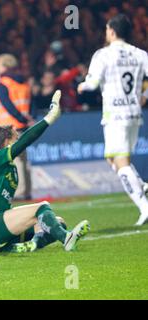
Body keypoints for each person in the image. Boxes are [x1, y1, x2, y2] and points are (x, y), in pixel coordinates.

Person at [0, 90, 90, 254]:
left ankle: (28, 245)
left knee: (57, 223)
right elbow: (27, 140)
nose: (19, 141)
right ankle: (67, 239)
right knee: (42, 207)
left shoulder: (11, 168)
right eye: (15, 138)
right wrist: (49, 118)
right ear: (7, 142)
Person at [78, 14, 148, 226]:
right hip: (134, 114)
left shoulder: (103, 55)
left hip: (114, 116)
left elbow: (92, 83)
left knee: (120, 161)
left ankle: (145, 207)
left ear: (111, 31)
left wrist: (82, 86)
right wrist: (145, 96)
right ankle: (141, 186)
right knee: (114, 159)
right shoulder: (140, 53)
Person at [0, 54, 35, 200]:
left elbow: (7, 105)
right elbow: (31, 103)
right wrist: (28, 119)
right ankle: (27, 190)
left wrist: (20, 118)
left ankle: (19, 191)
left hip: (7, 127)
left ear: (4, 66)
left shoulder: (3, 83)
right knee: (22, 159)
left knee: (13, 160)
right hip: (22, 126)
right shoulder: (23, 82)